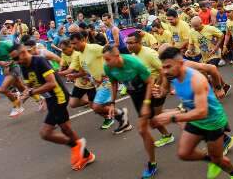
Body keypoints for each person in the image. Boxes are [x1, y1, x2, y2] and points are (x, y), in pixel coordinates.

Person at [153, 47, 233, 179]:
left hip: (212, 121)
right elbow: (165, 89)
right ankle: (212, 159)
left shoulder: (196, 80)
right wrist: (159, 93)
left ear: (181, 63)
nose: (164, 71)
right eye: (163, 67)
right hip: (194, 118)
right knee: (184, 153)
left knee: (218, 159)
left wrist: (172, 117)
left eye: (168, 67)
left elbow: (202, 112)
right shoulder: (171, 74)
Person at [9, 44, 95, 171]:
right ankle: (87, 155)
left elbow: (52, 83)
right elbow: (30, 87)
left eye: (16, 58)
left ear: (22, 52)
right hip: (50, 99)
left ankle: (76, 145)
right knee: (66, 129)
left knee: (45, 133)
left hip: (59, 97)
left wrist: (33, 92)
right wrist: (21, 99)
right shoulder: (24, 67)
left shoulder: (39, 61)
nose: (16, 62)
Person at [103, 45, 158, 179]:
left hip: (147, 91)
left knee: (142, 129)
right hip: (134, 94)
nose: (106, 63)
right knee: (155, 122)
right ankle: (171, 125)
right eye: (104, 59)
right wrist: (112, 103)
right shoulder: (108, 67)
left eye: (108, 59)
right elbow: (114, 83)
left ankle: (152, 164)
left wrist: (146, 104)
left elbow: (150, 82)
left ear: (117, 56)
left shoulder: (135, 63)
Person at [69, 32, 130, 132]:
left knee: (96, 107)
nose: (73, 46)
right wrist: (77, 76)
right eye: (71, 44)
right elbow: (87, 69)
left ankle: (121, 114)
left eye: (75, 43)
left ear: (83, 40)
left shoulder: (93, 48)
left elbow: (112, 52)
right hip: (98, 83)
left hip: (107, 81)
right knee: (96, 106)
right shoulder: (80, 54)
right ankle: (123, 121)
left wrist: (114, 70)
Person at [125, 32, 175, 148]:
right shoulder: (133, 56)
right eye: (127, 43)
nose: (128, 46)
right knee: (154, 116)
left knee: (155, 118)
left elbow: (163, 70)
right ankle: (180, 115)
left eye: (131, 43)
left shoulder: (149, 54)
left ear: (139, 42)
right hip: (147, 89)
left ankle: (179, 120)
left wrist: (157, 85)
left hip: (158, 88)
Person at [57, 39, 97, 109]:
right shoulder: (63, 54)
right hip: (79, 81)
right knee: (72, 104)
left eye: (64, 49)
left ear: (70, 47)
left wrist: (55, 75)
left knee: (96, 108)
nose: (63, 51)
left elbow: (69, 70)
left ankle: (112, 113)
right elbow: (62, 66)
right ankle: (90, 102)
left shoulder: (76, 55)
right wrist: (59, 72)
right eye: (62, 50)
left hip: (90, 81)